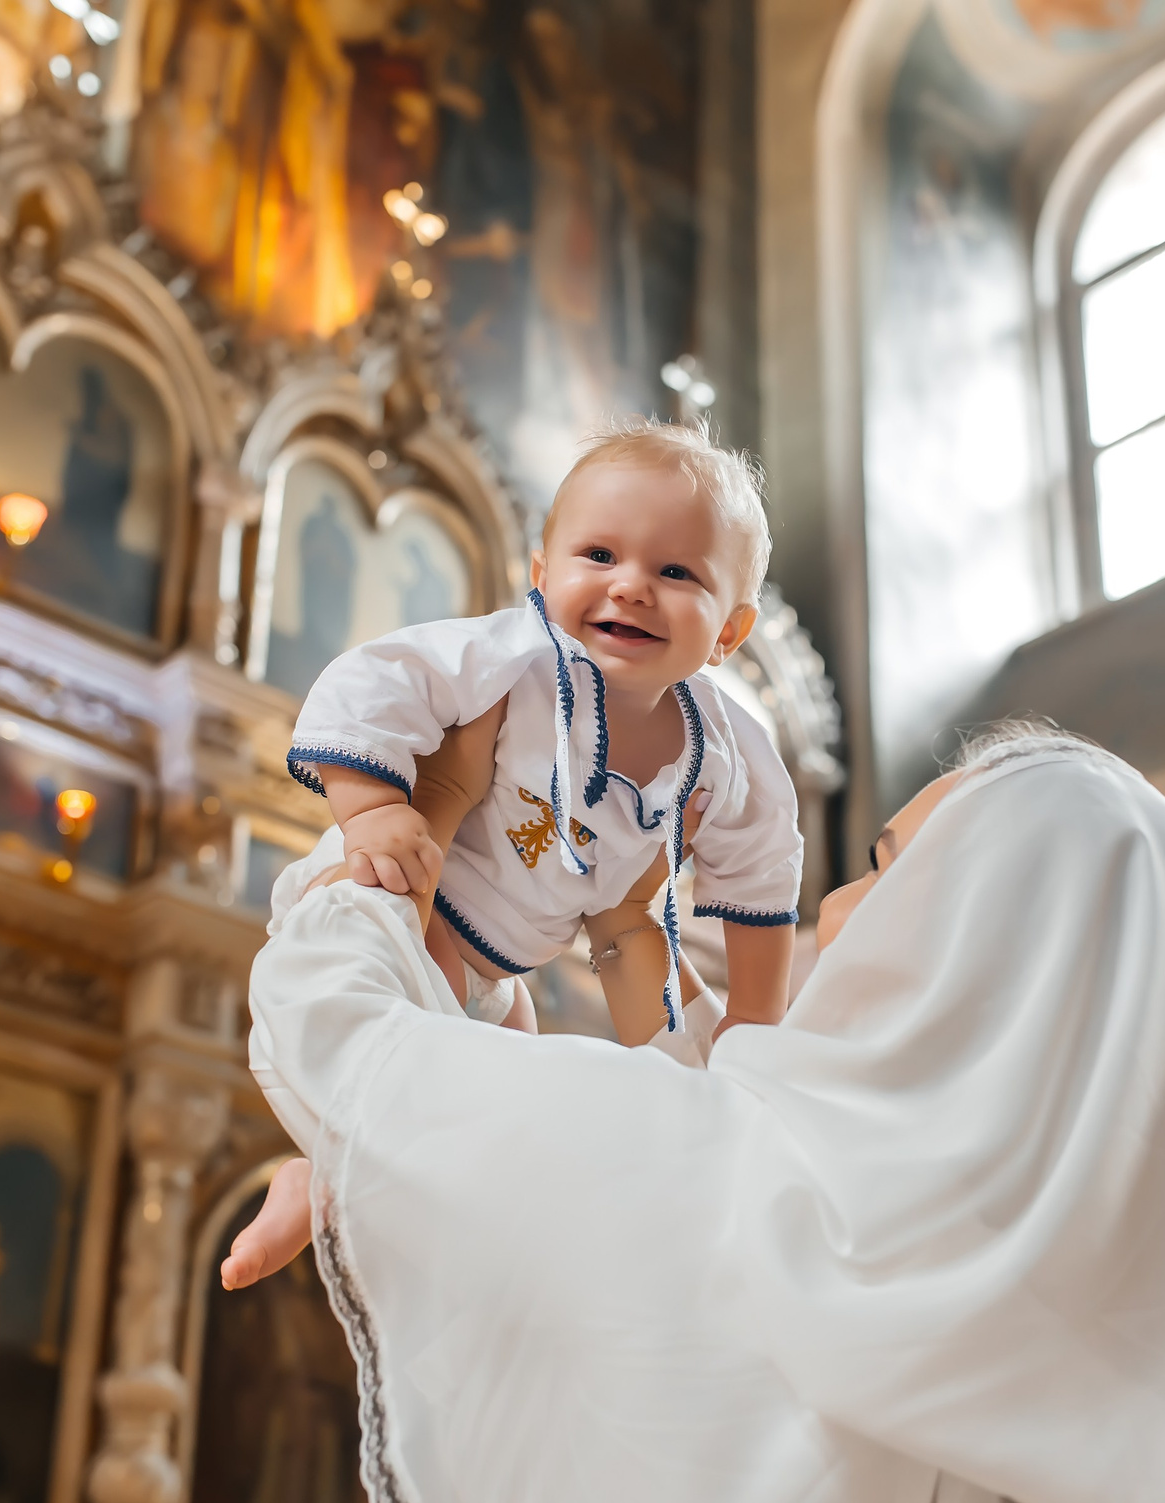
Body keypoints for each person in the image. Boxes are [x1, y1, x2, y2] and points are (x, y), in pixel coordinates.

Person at [228, 721, 1165, 1503]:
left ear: (989, 941)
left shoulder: (767, 1194)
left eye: (889, 867)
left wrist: (409, 822)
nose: (833, 905)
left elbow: (345, 1041)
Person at [283, 416, 801, 1047]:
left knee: (517, 1078)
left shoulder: (724, 750)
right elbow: (373, 681)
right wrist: (373, 810)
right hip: (395, 892)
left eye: (676, 573)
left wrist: (753, 1017)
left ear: (728, 632)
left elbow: (765, 866)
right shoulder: (513, 658)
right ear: (543, 575)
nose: (631, 585)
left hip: (500, 976)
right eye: (600, 555)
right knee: (436, 1047)